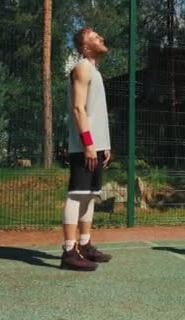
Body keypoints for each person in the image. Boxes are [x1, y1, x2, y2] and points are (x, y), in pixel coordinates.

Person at [60, 27, 112, 271]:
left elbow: (97, 112)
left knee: (90, 195)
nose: (101, 38)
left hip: (97, 146)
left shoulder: (95, 71)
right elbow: (78, 109)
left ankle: (85, 244)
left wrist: (104, 146)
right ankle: (69, 251)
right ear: (85, 47)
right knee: (76, 195)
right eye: (95, 37)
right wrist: (89, 143)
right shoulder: (81, 68)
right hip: (85, 145)